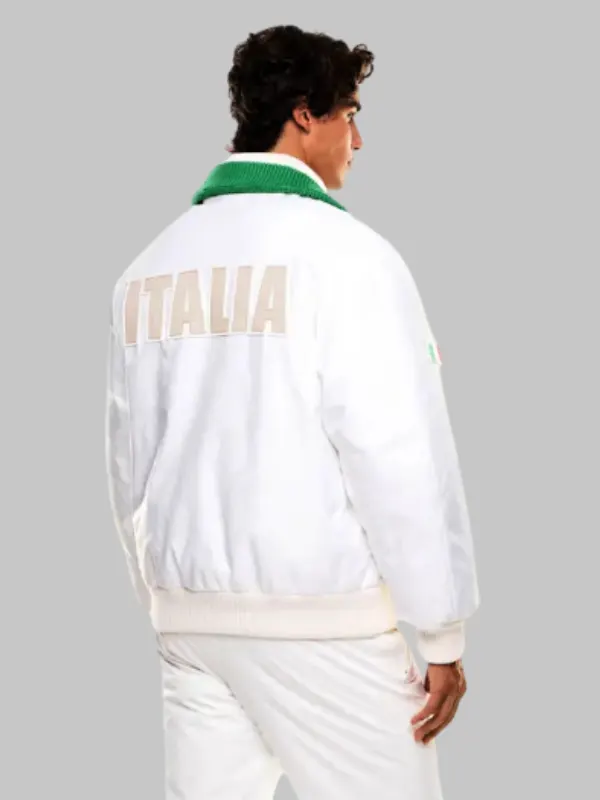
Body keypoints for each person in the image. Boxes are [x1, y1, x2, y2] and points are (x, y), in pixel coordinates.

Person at [105, 24, 480, 800]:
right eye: (351, 114)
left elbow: (126, 463)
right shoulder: (350, 259)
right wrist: (441, 629)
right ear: (305, 114)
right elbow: (395, 451)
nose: (358, 140)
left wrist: (170, 599)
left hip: (192, 628)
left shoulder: (147, 270)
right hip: (324, 623)